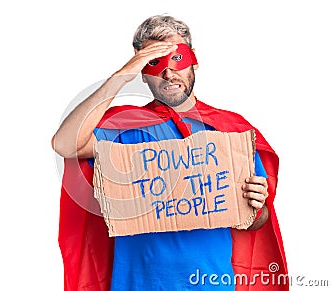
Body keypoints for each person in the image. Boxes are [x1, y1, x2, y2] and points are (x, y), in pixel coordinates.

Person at [52, 15, 288, 290]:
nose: (168, 72)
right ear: (141, 72)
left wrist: (256, 206)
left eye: (177, 58)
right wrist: (122, 75)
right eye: (154, 63)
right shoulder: (124, 129)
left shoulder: (230, 131)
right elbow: (65, 144)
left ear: (194, 61)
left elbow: (256, 221)